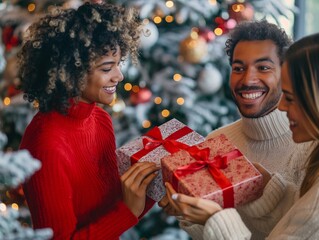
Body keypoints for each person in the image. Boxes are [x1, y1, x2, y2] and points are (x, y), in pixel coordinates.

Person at [160, 20, 315, 239]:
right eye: (238, 68)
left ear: (285, 73)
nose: (248, 79)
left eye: (263, 67)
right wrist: (188, 213)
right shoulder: (216, 141)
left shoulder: (312, 145)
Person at [18, 2, 159, 239]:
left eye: (118, 64)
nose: (119, 76)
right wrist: (128, 211)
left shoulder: (100, 119)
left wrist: (157, 185)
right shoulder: (46, 146)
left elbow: (111, 211)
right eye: (107, 68)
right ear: (71, 71)